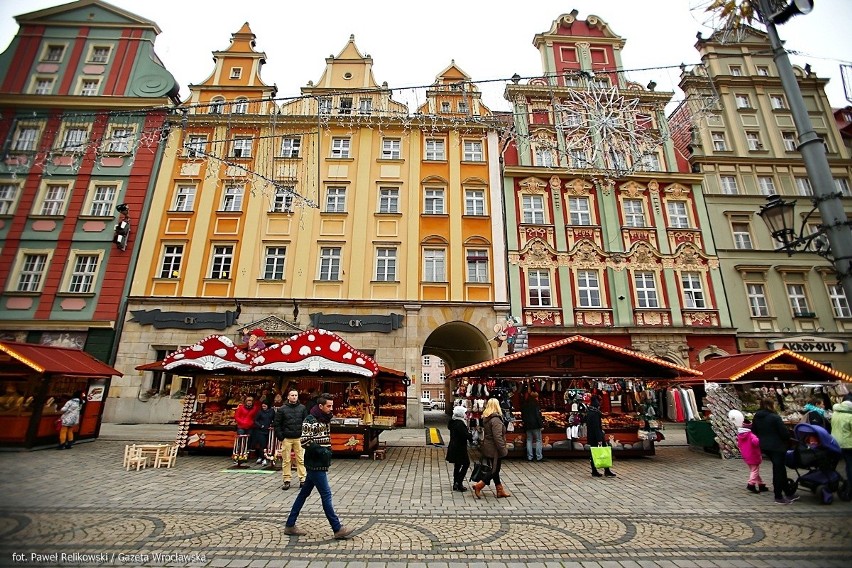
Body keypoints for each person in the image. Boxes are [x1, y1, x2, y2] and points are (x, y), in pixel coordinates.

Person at [283, 394, 352, 540]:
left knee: (303, 494)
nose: (331, 409)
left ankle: (290, 524)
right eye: (328, 406)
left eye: (332, 406)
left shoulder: (324, 418)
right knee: (326, 494)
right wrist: (323, 451)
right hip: (315, 463)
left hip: (320, 462)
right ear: (320, 406)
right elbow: (305, 441)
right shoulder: (310, 420)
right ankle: (337, 527)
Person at [751, 397, 797, 505]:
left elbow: (754, 430)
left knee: (780, 468)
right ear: (771, 405)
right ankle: (778, 495)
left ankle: (787, 491)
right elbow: (784, 433)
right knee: (778, 470)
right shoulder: (775, 417)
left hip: (764, 446)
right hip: (777, 446)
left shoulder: (757, 416)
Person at [474, 397, 510, 499]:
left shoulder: (487, 418)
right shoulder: (496, 419)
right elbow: (497, 436)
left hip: (488, 446)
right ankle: (479, 485)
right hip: (495, 449)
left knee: (495, 469)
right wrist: (503, 449)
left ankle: (500, 490)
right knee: (494, 470)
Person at [274, 388, 308, 490]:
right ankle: (287, 480)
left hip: (299, 438)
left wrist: (304, 435)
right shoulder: (282, 409)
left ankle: (303, 480)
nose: (294, 397)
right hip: (287, 438)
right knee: (286, 460)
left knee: (301, 460)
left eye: (296, 395)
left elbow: (306, 423)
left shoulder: (302, 408)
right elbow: (277, 424)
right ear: (288, 397)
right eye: (292, 395)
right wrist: (281, 437)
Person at [729, 409, 767, 494]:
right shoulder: (751, 435)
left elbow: (739, 444)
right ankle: (751, 484)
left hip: (746, 455)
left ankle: (761, 484)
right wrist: (760, 439)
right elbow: (756, 442)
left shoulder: (740, 435)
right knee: (755, 470)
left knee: (754, 470)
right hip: (754, 454)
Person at [584, 396, 616, 478]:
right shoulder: (595, 413)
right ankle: (606, 470)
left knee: (593, 453)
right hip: (597, 436)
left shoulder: (589, 411)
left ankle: (595, 470)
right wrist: (599, 439)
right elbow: (596, 427)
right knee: (604, 452)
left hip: (591, 436)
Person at [446, 405, 473, 491]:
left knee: (457, 465)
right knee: (466, 464)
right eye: (464, 413)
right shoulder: (460, 423)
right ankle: (459, 482)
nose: (465, 415)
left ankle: (455, 483)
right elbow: (465, 435)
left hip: (454, 446)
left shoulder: (453, 422)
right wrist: (470, 435)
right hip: (459, 447)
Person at [830, 395, 852, 490]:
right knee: (850, 466)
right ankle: (850, 485)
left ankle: (830, 482)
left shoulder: (835, 413)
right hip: (848, 445)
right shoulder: (850, 416)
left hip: (834, 443)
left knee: (833, 465)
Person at [234, 395, 259, 460]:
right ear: (245, 401)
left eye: (250, 401)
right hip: (241, 426)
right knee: (241, 439)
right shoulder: (241, 408)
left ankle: (246, 454)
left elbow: (256, 417)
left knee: (248, 440)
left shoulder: (255, 408)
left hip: (250, 426)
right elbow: (237, 416)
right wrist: (242, 422)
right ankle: (238, 453)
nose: (249, 402)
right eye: (248, 400)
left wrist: (252, 423)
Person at [521, 391, 544, 462]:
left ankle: (529, 456)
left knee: (529, 440)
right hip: (536, 425)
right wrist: (541, 425)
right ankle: (539, 456)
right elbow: (537, 415)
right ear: (536, 397)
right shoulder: (536, 404)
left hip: (527, 425)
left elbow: (523, 415)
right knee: (538, 440)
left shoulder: (525, 404)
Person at [252, 401, 275, 466]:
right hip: (261, 430)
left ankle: (265, 457)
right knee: (262, 444)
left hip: (268, 430)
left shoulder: (272, 411)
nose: (264, 407)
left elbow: (275, 419)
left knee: (268, 444)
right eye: (262, 406)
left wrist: (272, 425)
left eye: (265, 406)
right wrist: (260, 425)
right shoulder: (260, 412)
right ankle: (262, 457)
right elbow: (255, 420)